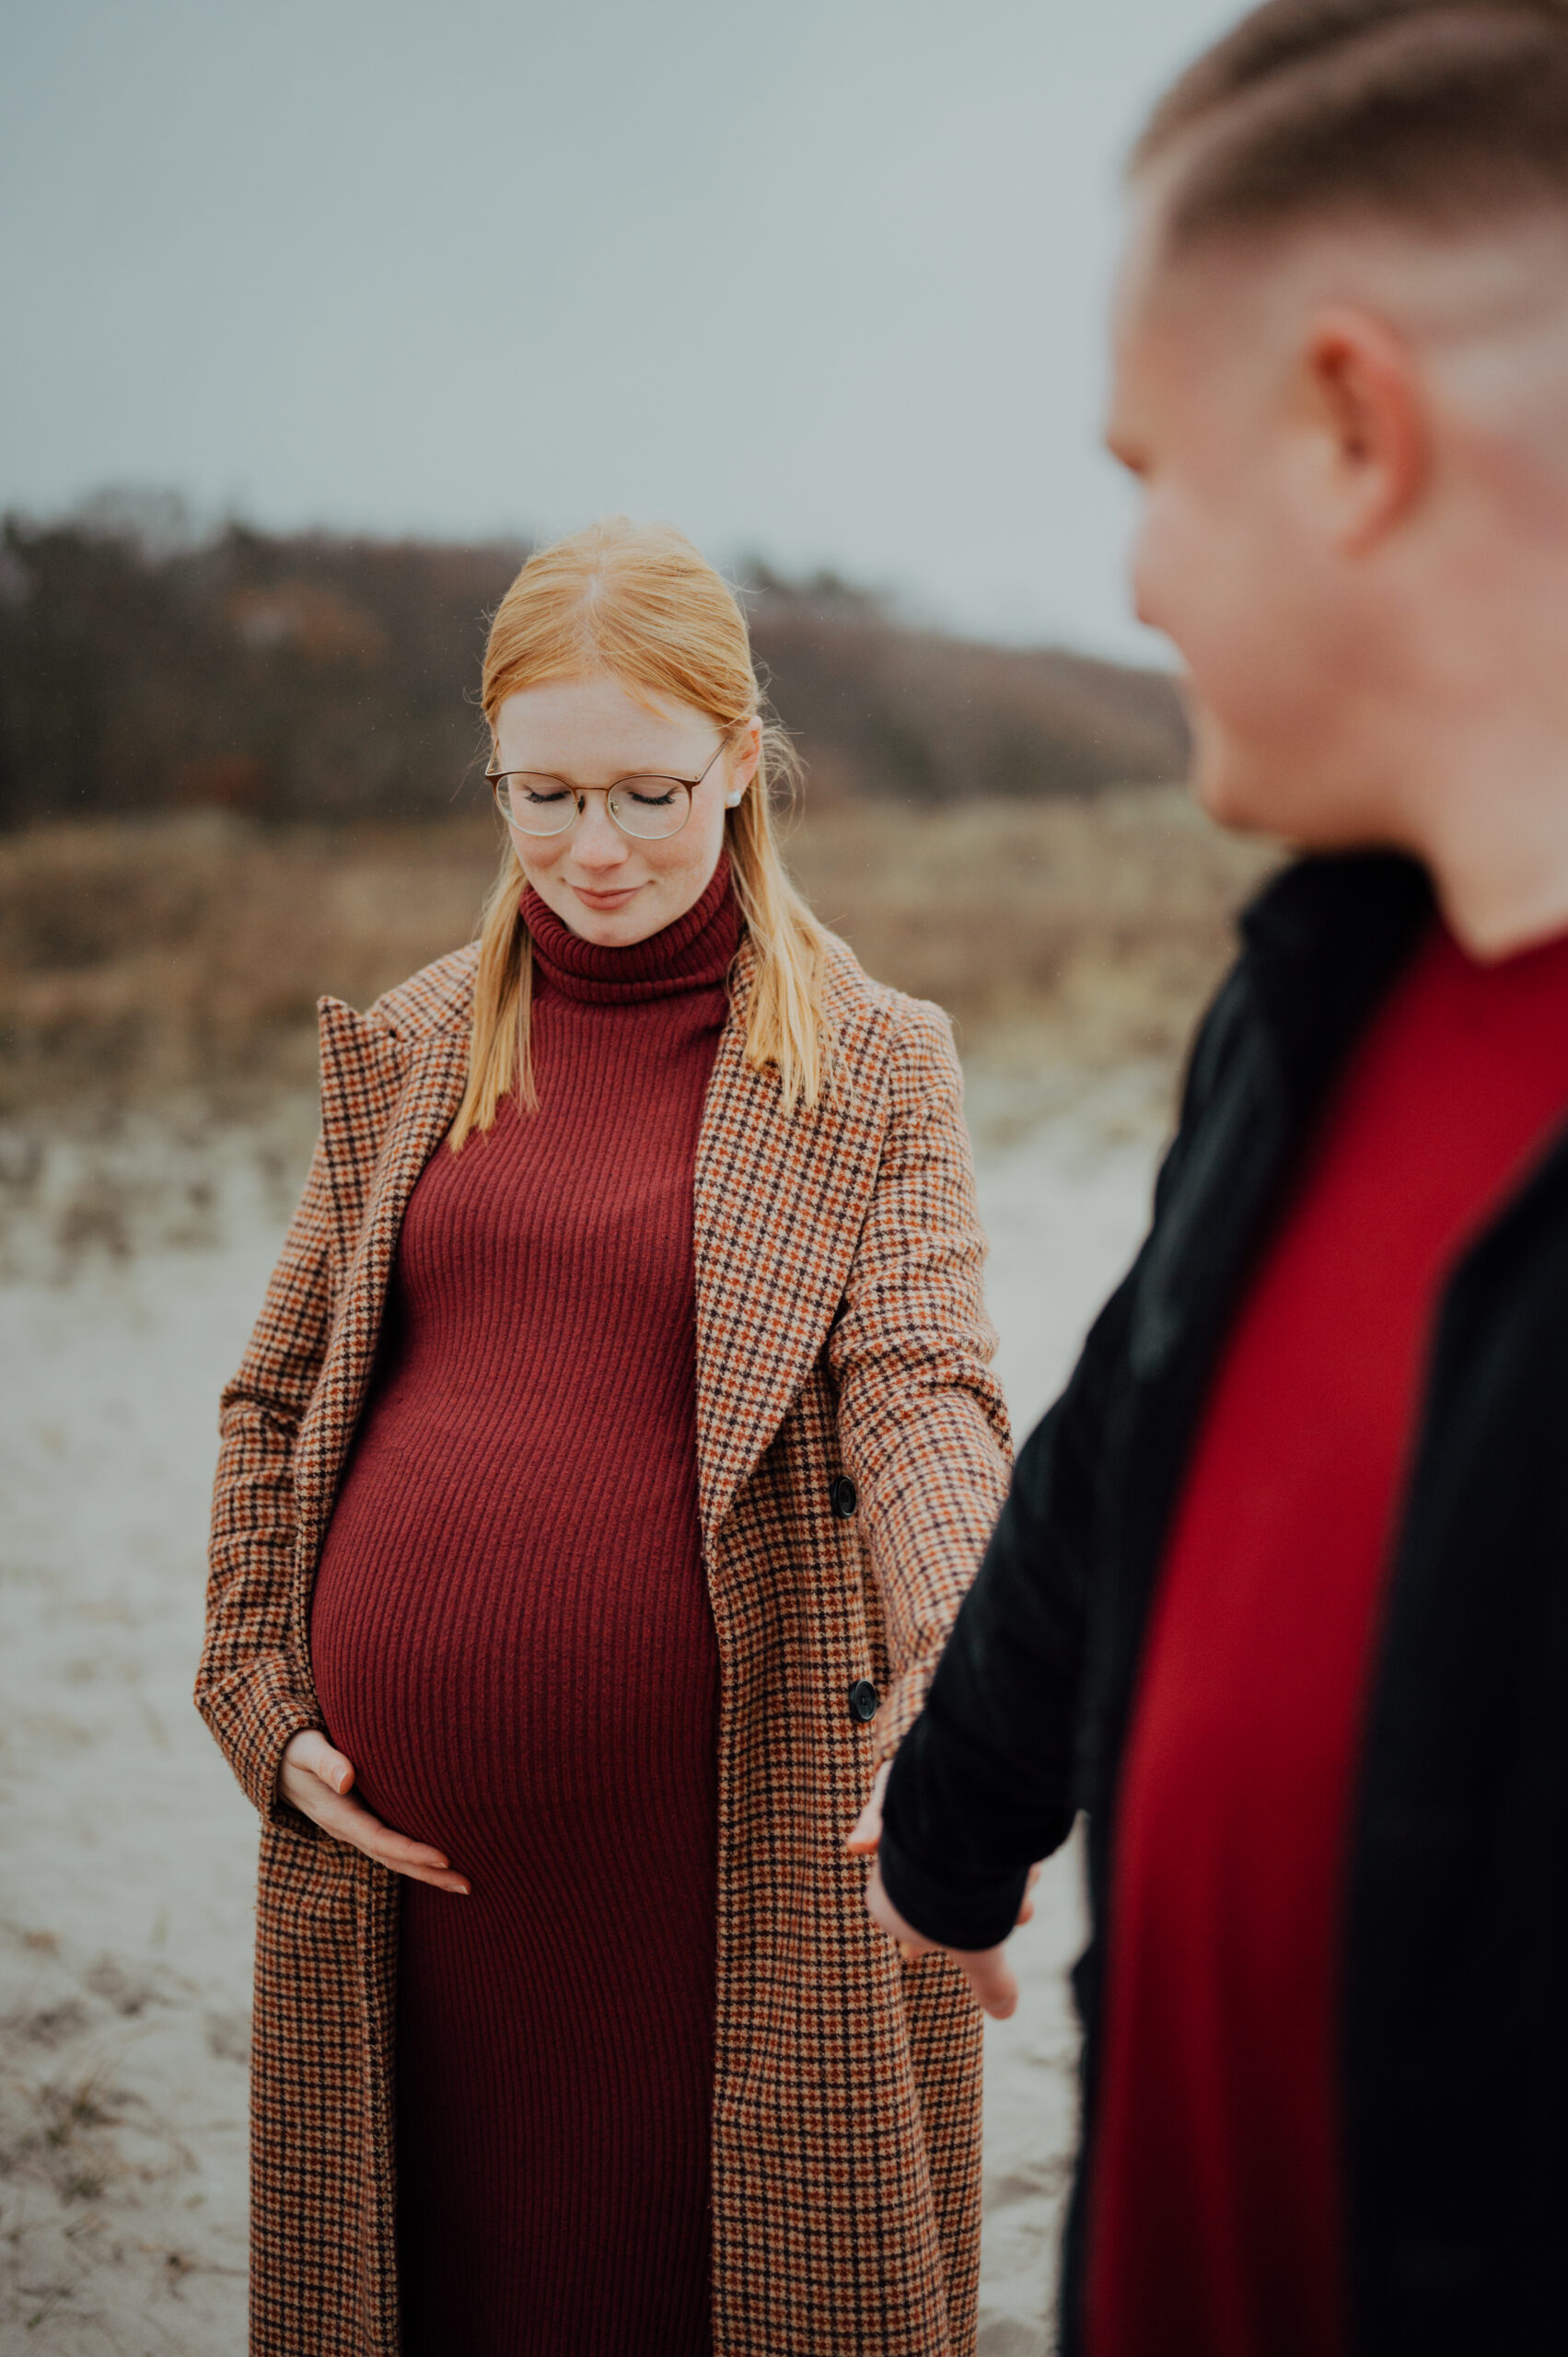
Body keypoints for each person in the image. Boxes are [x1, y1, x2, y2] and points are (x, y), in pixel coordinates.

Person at [860, 4, 1568, 2352]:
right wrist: (960, 1820)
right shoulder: (1319, 984)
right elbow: (1138, 1423)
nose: (1137, 578)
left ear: (1357, 427)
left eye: (1149, 463)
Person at [195, 517, 1011, 2357]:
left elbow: (927, 1394)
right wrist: (257, 1684)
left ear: (741, 754)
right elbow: (273, 1401)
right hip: (405, 1902)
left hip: (729, 1884)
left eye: (646, 789)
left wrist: (975, 1672)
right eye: (541, 792)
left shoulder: (871, 1061)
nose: (594, 846)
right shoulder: (409, 1046)